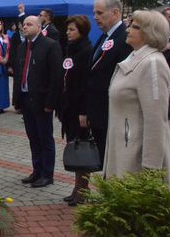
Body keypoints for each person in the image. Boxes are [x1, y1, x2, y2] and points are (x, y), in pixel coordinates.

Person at [104, 10, 170, 183]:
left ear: (150, 32)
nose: (128, 30)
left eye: (135, 27)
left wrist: (151, 169)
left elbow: (156, 120)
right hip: (123, 148)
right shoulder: (135, 58)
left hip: (135, 157)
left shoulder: (152, 63)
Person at [80, 0, 132, 169]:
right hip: (98, 110)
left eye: (100, 13)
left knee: (113, 161)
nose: (95, 17)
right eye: (95, 13)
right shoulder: (105, 37)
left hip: (111, 111)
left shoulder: (124, 39)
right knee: (104, 158)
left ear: (115, 13)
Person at [13, 16, 63, 188]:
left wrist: (51, 102)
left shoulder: (50, 45)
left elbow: (56, 77)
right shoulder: (22, 47)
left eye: (29, 24)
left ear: (39, 27)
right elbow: (19, 74)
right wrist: (16, 99)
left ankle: (47, 174)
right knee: (33, 137)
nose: (24, 27)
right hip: (26, 99)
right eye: (23, 24)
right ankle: (37, 170)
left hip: (42, 101)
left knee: (45, 138)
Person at [58, 15, 92, 206]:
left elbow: (85, 83)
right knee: (74, 143)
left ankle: (83, 189)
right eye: (68, 29)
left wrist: (83, 111)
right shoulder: (71, 49)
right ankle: (77, 187)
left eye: (72, 30)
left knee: (82, 147)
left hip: (79, 108)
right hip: (69, 106)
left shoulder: (86, 50)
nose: (68, 33)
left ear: (81, 30)